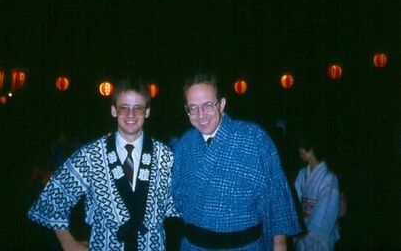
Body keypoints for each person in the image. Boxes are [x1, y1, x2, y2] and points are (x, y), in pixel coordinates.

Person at [28, 78, 179, 251]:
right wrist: (67, 242)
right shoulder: (91, 154)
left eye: (138, 108)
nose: (131, 115)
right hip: (104, 245)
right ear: (114, 110)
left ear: (147, 112)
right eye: (124, 108)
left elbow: (185, 201)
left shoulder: (165, 156)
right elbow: (54, 196)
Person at [172, 73, 301, 251]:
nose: (200, 114)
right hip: (195, 246)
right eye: (192, 107)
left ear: (222, 104)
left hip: (245, 246)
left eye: (208, 105)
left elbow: (276, 195)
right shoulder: (184, 144)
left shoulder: (254, 138)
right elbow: (177, 197)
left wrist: (280, 244)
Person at [293, 136, 340, 251]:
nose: (300, 150)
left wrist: (306, 231)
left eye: (303, 147)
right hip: (302, 230)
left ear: (312, 149)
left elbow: (326, 212)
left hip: (318, 237)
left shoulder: (329, 178)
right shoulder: (302, 174)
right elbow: (294, 200)